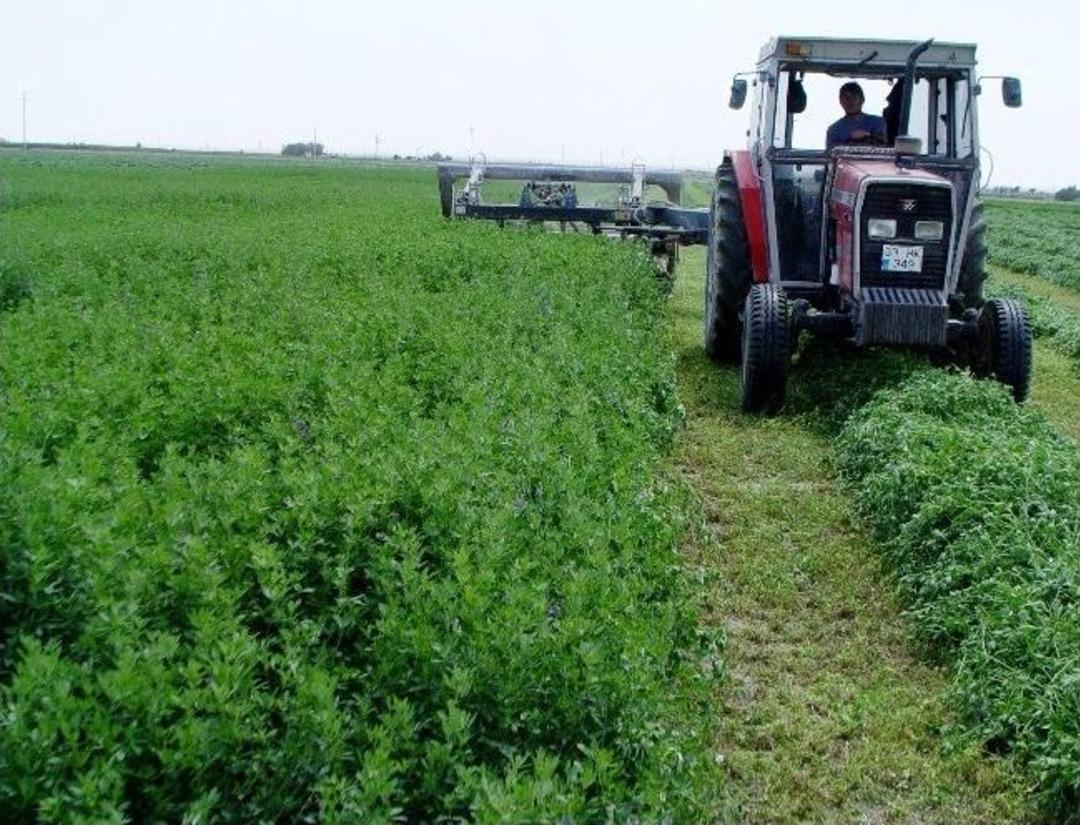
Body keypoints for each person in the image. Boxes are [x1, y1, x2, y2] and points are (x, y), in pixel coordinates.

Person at [826, 82, 887, 150]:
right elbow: (831, 153)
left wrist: (867, 136)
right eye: (846, 98)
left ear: (862, 100)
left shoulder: (877, 122)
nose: (850, 102)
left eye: (854, 98)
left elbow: (884, 146)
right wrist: (850, 139)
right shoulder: (834, 131)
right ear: (840, 101)